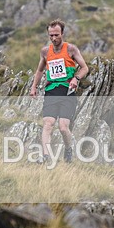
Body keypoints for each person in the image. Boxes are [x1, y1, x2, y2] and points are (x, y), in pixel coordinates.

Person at [29, 19, 89, 165]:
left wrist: (76, 78)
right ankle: (45, 156)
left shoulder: (71, 49)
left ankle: (68, 149)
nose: (54, 38)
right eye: (51, 36)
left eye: (57, 35)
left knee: (63, 127)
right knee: (48, 123)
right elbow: (40, 70)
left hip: (67, 92)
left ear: (62, 33)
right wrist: (33, 87)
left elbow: (84, 68)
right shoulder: (45, 52)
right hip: (51, 91)